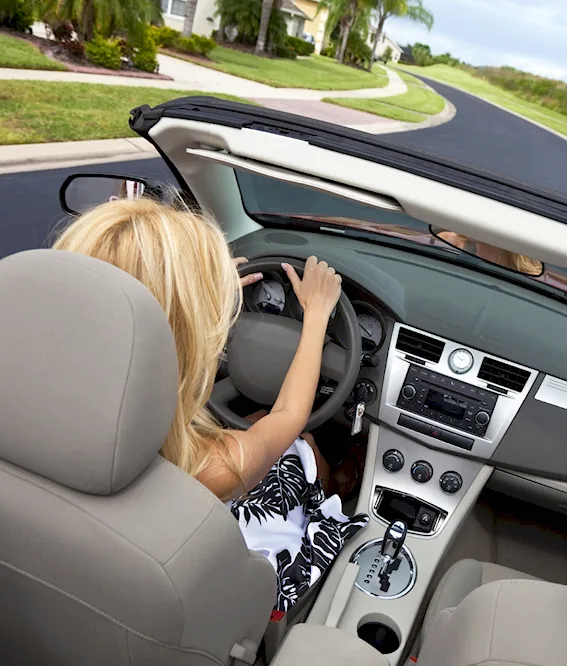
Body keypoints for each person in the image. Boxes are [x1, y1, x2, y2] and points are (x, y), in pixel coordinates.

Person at [52, 197, 367, 611]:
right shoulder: (206, 471)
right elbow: (288, 415)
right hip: (228, 587)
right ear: (180, 337)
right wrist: (316, 316)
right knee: (300, 443)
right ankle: (339, 486)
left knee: (251, 420)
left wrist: (199, 297)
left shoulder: (22, 410)